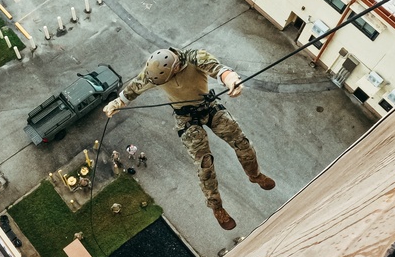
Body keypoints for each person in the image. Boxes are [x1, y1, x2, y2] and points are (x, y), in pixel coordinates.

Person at [104, 48, 273, 230]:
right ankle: (217, 208)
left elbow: (217, 69)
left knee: (242, 144)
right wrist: (117, 103)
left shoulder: (195, 57)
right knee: (204, 165)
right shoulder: (154, 72)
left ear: (176, 67)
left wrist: (231, 79)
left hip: (209, 107)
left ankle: (254, 175)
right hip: (185, 119)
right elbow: (134, 88)